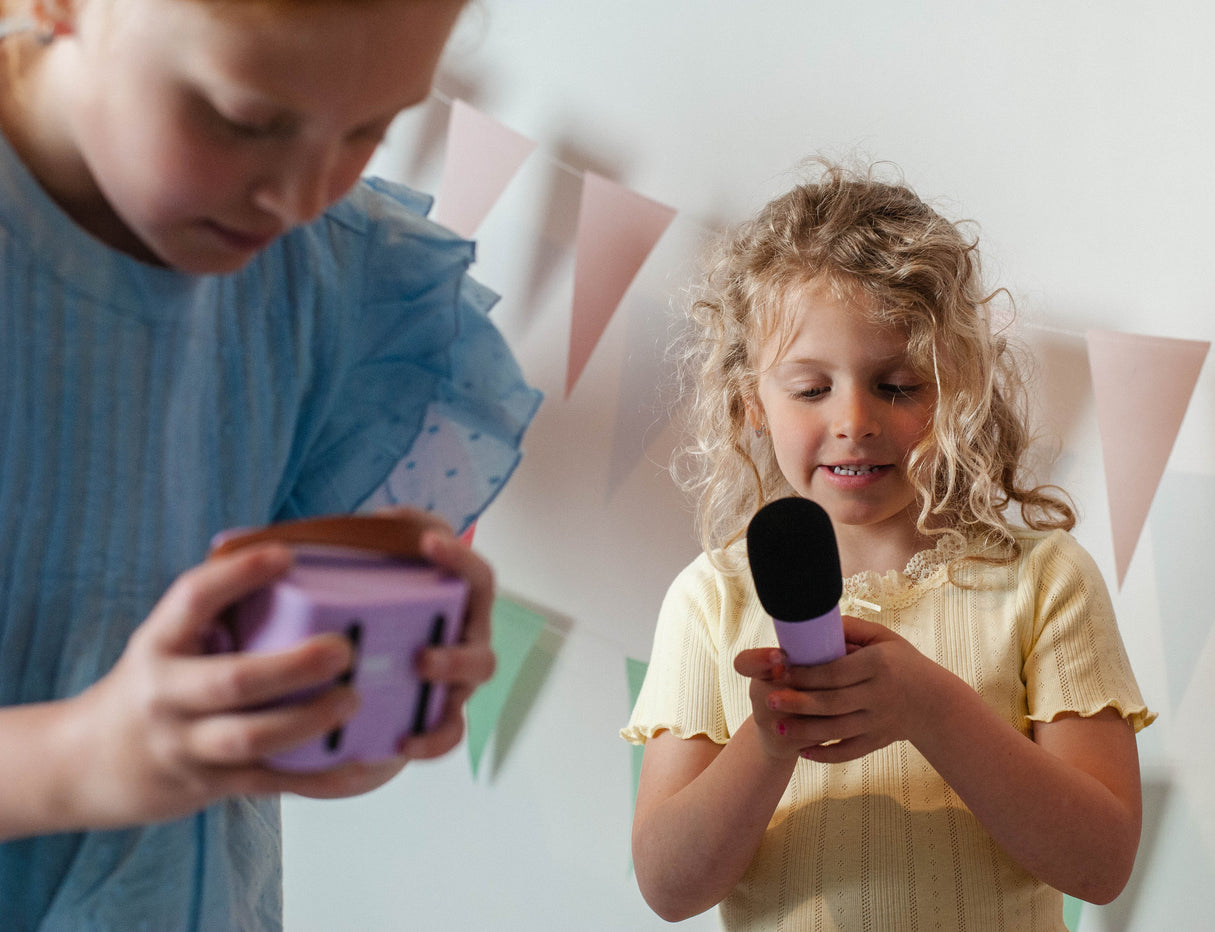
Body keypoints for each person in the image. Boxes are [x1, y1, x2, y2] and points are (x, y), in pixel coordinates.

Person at [0, 0, 540, 927]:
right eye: (244, 120)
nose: (300, 198)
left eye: (370, 131)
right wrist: (86, 759)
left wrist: (351, 704)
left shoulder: (336, 280)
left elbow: (251, 728)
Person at [623, 160, 1155, 930]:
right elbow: (669, 888)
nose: (854, 420)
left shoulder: (1043, 580)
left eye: (898, 385)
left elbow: (1102, 865)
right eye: (811, 389)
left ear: (958, 387)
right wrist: (769, 743)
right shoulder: (712, 598)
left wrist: (935, 709)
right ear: (751, 405)